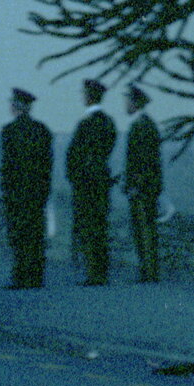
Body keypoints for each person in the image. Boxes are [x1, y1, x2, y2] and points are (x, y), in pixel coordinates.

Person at [0, 89, 54, 289]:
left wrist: (6, 191)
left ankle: (21, 276)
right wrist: (44, 190)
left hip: (16, 193)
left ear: (16, 106)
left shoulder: (9, 131)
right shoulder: (42, 130)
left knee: (19, 235)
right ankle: (36, 276)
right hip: (36, 192)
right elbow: (48, 164)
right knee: (36, 234)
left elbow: (7, 166)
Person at [64, 78, 117, 286]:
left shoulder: (87, 122)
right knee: (99, 226)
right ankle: (98, 270)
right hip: (100, 180)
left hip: (86, 182)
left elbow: (76, 153)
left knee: (89, 226)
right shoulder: (108, 121)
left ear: (89, 96)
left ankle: (94, 272)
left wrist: (74, 174)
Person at [122, 86, 163, 283]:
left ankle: (149, 271)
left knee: (145, 229)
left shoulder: (142, 126)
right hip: (145, 186)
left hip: (143, 188)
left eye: (128, 101)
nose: (126, 105)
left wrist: (136, 184)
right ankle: (147, 270)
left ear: (135, 103)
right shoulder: (143, 124)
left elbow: (144, 161)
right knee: (144, 229)